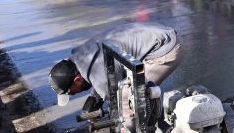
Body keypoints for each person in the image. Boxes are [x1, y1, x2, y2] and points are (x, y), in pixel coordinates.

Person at [48, 23, 180, 118]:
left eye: (71, 92)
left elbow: (120, 107)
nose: (74, 94)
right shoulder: (80, 55)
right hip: (157, 33)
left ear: (77, 79)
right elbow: (100, 70)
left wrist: (118, 132)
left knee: (133, 102)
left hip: (166, 47)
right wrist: (96, 98)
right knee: (131, 94)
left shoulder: (100, 78)